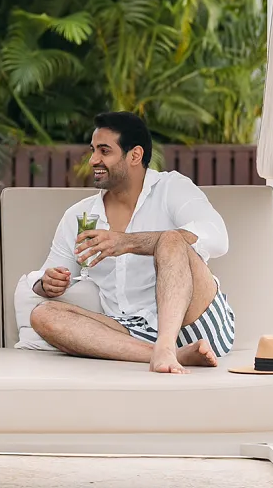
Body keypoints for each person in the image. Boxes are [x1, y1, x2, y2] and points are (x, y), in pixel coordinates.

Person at [27, 111, 235, 373]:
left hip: (196, 322)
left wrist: (127, 242)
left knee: (171, 239)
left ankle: (167, 346)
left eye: (104, 151)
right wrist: (47, 283)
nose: (93, 160)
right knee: (43, 314)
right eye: (93, 150)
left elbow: (217, 237)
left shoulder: (172, 188)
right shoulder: (80, 215)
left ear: (135, 155)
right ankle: (173, 354)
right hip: (131, 331)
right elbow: (49, 272)